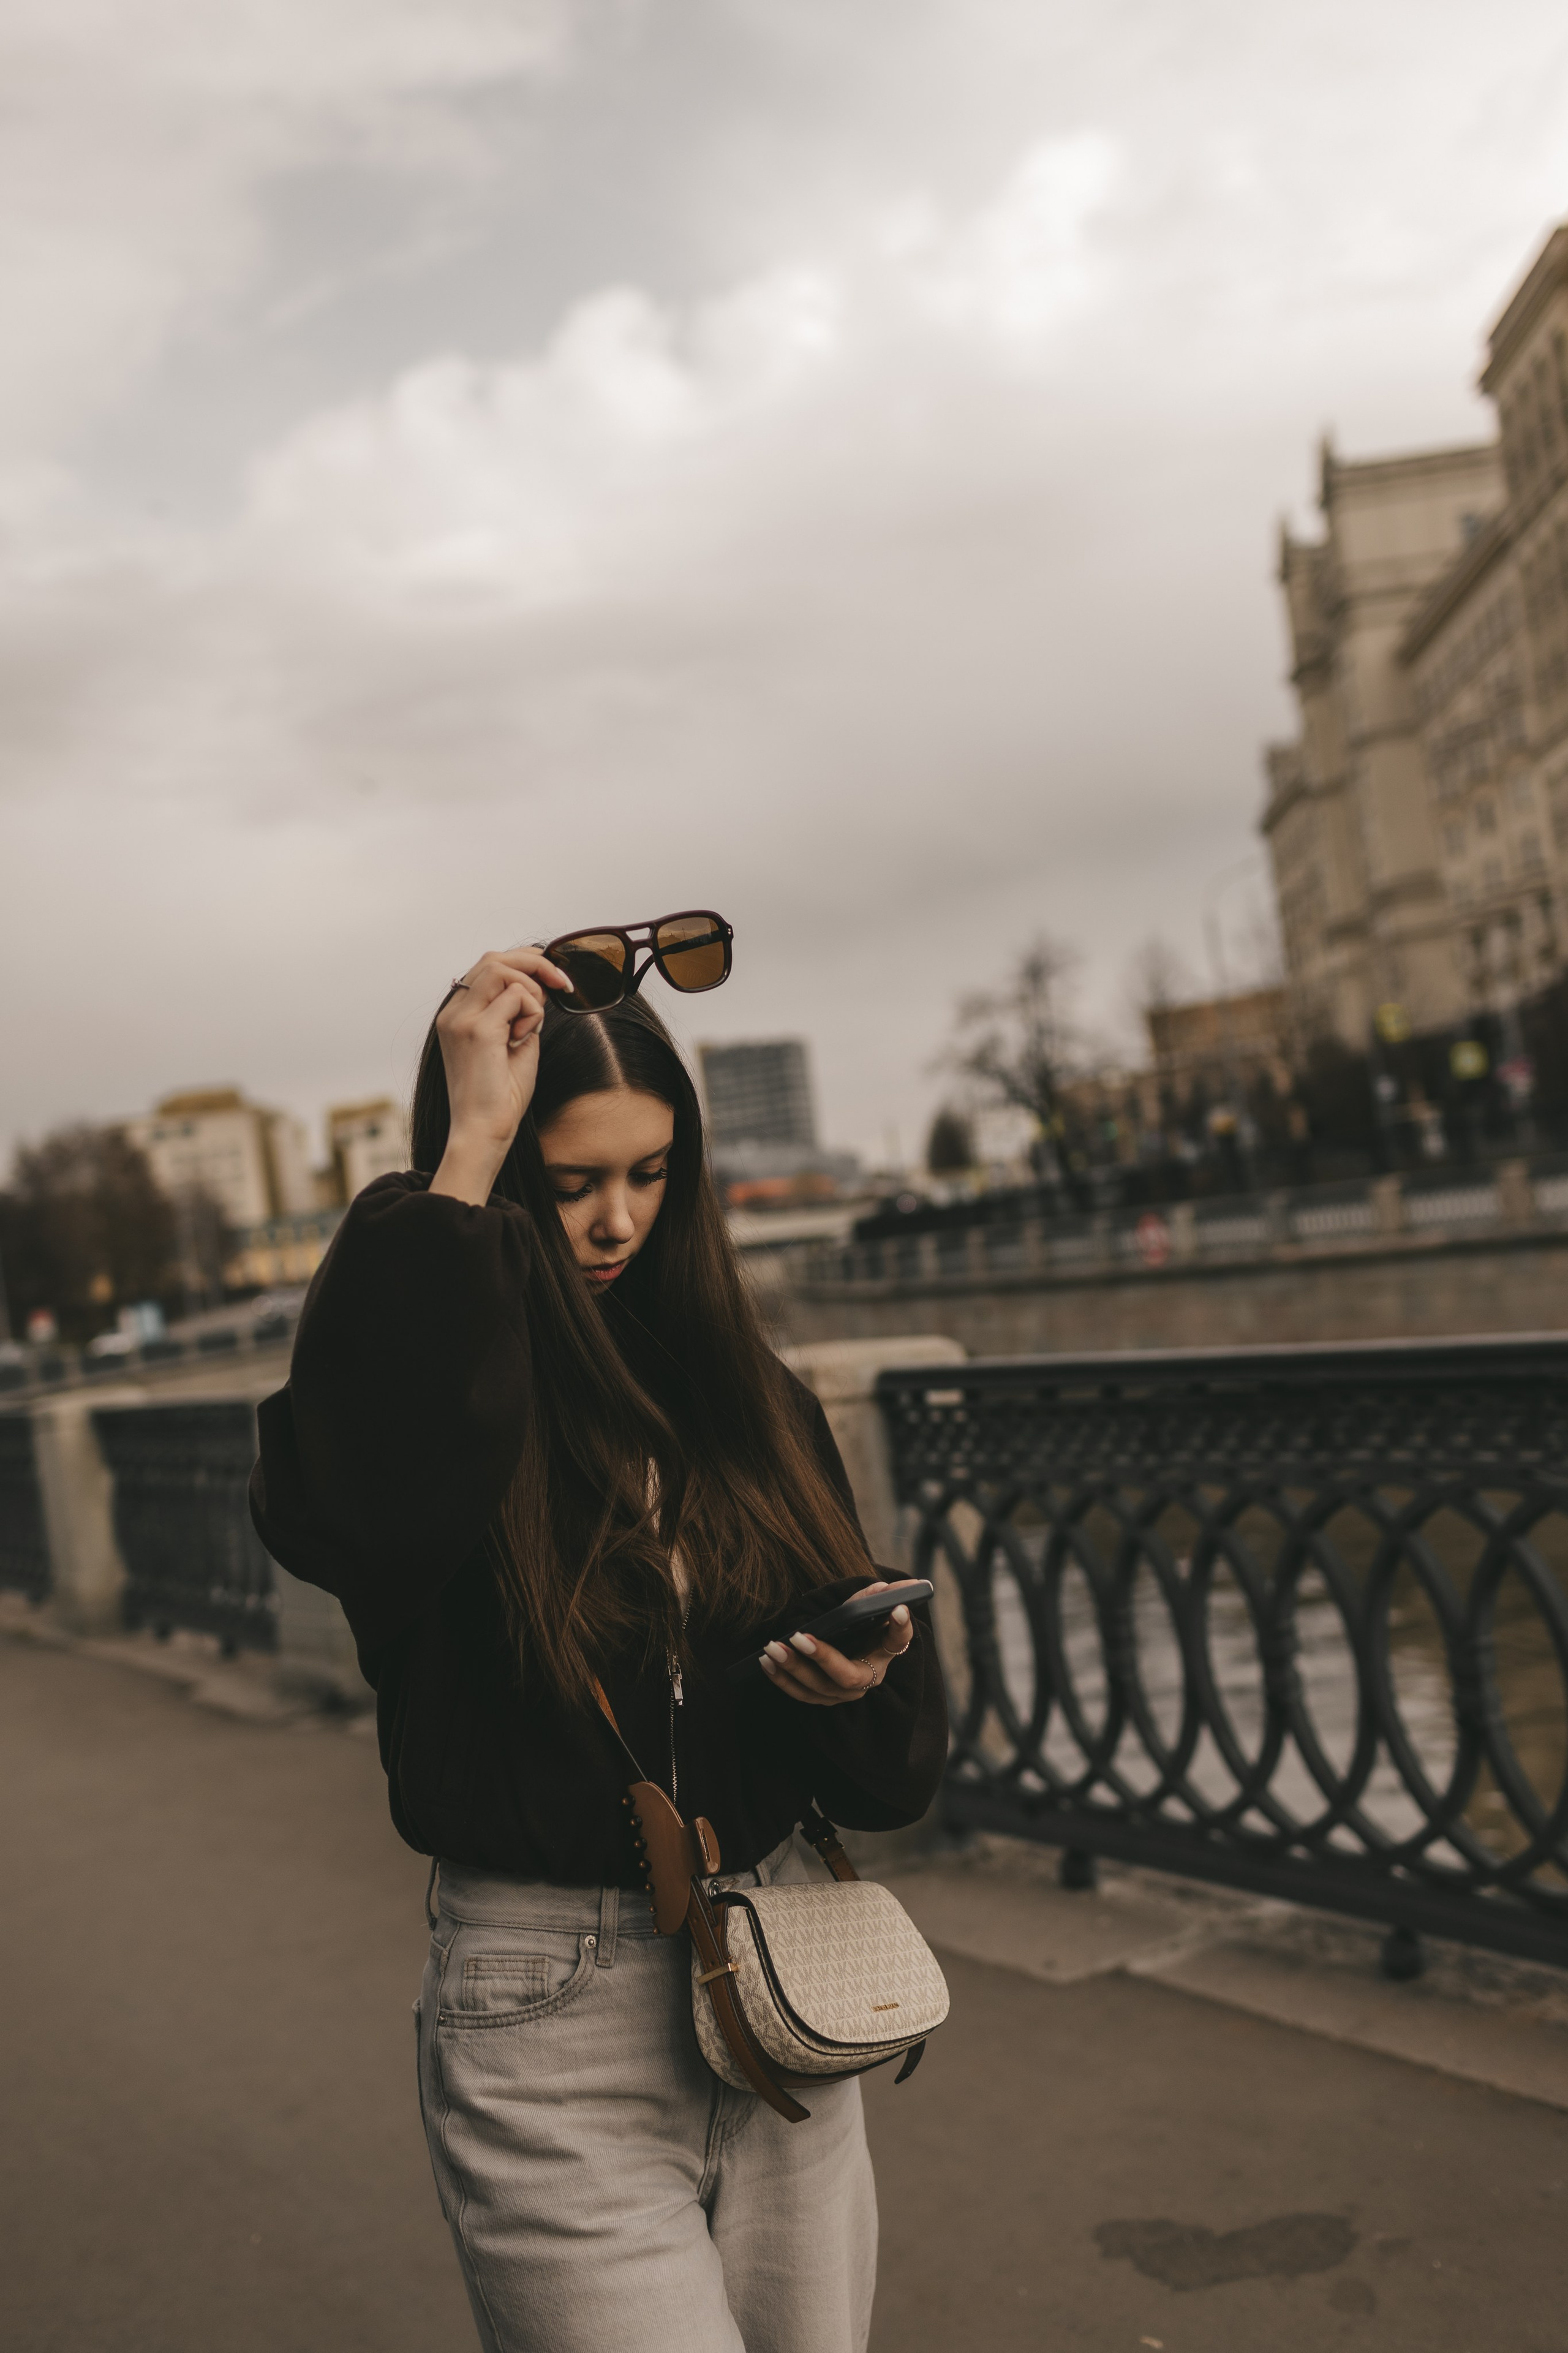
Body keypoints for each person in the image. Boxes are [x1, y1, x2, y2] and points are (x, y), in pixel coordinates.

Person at [249, 942, 947, 2353]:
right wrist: (464, 1151)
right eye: (569, 1183)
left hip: (775, 2002)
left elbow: (890, 1777)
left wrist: (859, 1682)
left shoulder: (750, 1402)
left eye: (650, 1173)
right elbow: (357, 1506)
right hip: (546, 2021)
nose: (618, 1218)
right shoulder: (448, 1397)